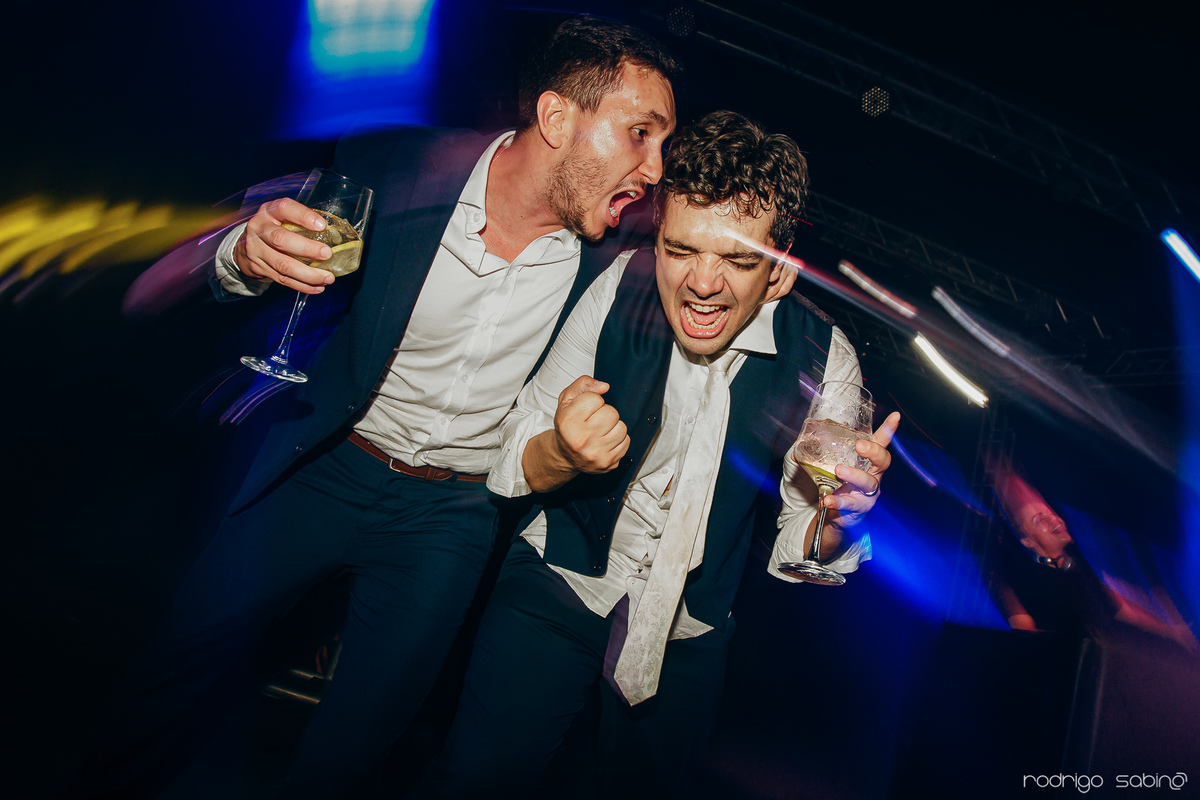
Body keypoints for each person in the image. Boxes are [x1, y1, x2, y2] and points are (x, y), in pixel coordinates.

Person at [70, 17, 679, 800]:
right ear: (558, 117)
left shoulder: (613, 262)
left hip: (449, 518)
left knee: (357, 750)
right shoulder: (394, 170)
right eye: (640, 134)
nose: (654, 167)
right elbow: (214, 261)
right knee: (174, 673)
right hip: (322, 467)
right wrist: (242, 255)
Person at [425, 110, 900, 798]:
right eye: (680, 250)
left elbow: (803, 538)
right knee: (475, 780)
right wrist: (561, 448)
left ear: (779, 271)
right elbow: (516, 443)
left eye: (737, 259)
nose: (701, 283)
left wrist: (839, 517)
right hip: (559, 584)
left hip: (689, 631)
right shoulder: (618, 285)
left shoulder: (826, 359)